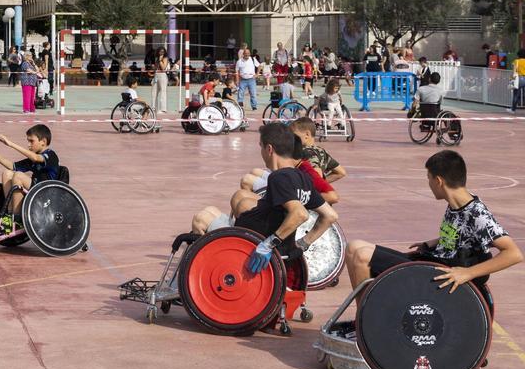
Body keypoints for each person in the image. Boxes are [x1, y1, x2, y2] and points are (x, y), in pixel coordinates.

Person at [344, 150, 522, 291]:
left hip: (437, 271)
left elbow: (513, 254)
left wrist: (468, 273)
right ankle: (365, 318)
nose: (428, 184)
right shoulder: (456, 203)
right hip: (432, 259)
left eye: (428, 179)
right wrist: (434, 242)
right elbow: (464, 235)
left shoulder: (477, 213)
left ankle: (365, 323)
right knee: (354, 247)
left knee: (362, 256)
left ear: (438, 181)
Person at [191, 123, 339, 270]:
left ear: (269, 149)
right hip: (260, 237)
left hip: (248, 244)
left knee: (200, 218)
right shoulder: (303, 178)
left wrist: (268, 245)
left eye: (261, 146)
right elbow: (330, 215)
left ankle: (208, 272)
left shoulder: (279, 177)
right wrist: (302, 244)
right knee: (211, 210)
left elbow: (300, 214)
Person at [0, 125, 59, 216]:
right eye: (28, 141)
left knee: (18, 176)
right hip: (36, 188)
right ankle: (9, 214)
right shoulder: (34, 158)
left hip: (46, 192)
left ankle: (16, 216)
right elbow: (13, 166)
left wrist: (11, 144)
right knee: (7, 173)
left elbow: (36, 158)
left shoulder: (51, 155)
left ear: (43, 142)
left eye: (31, 141)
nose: (29, 145)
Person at [288, 117, 347, 189]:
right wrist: (323, 182)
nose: (291, 138)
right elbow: (341, 172)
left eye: (294, 135)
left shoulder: (306, 152)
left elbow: (317, 175)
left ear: (307, 134)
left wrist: (307, 189)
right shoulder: (321, 151)